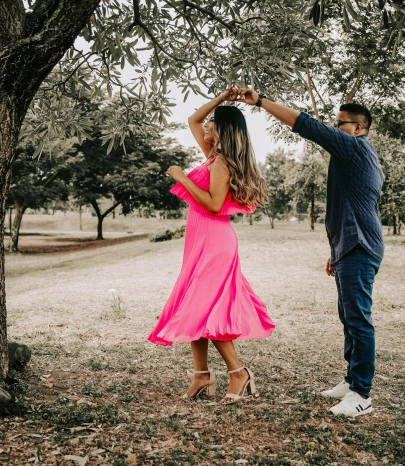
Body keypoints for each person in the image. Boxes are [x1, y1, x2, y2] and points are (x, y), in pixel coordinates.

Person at [235, 88, 383, 417]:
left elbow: (306, 125)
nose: (335, 128)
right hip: (352, 245)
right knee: (349, 317)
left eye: (340, 124)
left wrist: (260, 102)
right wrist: (338, 248)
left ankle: (362, 393)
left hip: (359, 246)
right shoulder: (359, 157)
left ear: (358, 128)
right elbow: (357, 206)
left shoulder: (355, 147)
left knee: (359, 320)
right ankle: (351, 379)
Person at [148, 87, 275, 405]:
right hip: (200, 242)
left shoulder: (221, 164)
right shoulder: (213, 156)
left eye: (213, 122)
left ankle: (238, 373)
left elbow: (215, 205)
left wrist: (181, 177)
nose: (206, 125)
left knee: (208, 309)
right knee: (195, 307)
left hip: (215, 244)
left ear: (223, 129)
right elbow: (193, 118)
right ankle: (201, 376)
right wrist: (223, 98)